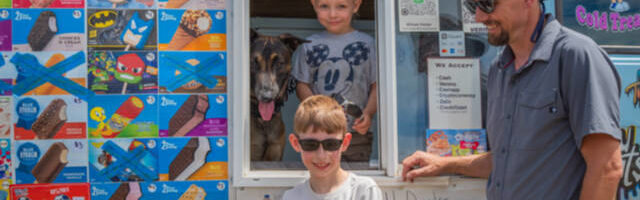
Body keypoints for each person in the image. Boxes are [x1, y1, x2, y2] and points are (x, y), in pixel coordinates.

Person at [401, 0, 623, 199]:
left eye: (488, 4)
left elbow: (606, 168)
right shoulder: (500, 70)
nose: (479, 17)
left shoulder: (576, 56)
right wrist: (445, 164)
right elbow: (507, 160)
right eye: (472, 6)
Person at [292, 0, 377, 162]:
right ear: (314, 5)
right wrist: (316, 113)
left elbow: (376, 85)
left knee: (354, 180)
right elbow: (302, 84)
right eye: (324, 6)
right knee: (321, 177)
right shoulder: (309, 45)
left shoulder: (368, 43)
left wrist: (368, 113)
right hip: (318, 133)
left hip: (356, 132)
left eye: (341, 6)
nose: (332, 14)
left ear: (356, 5)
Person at [282, 95, 382, 200]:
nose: (321, 155)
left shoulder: (364, 191)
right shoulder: (291, 197)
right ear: (295, 143)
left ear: (345, 142)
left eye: (331, 144)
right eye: (310, 145)